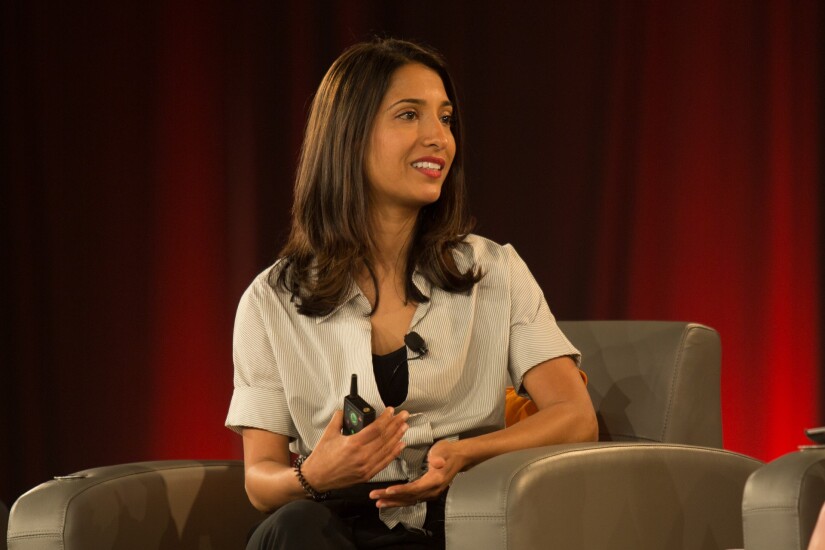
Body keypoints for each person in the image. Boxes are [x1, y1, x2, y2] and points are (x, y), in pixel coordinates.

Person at [225, 37, 598, 550]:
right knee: (293, 528)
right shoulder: (271, 302)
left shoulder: (494, 272)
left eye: (445, 119)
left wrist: (468, 453)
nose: (438, 138)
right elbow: (260, 479)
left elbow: (575, 417)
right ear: (348, 137)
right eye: (409, 115)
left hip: (459, 521)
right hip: (333, 524)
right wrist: (316, 474)